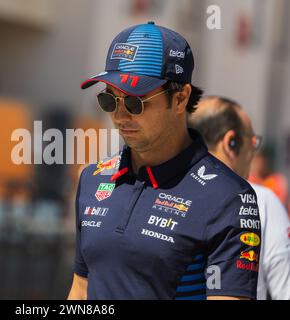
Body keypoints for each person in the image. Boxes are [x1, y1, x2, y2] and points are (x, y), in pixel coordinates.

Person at [67, 22, 261, 300]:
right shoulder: (92, 179)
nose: (121, 116)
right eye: (110, 100)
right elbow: (80, 290)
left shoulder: (229, 198)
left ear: (180, 98)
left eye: (135, 102)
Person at [188, 96, 290, 300]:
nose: (254, 151)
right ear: (230, 142)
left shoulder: (161, 190)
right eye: (252, 141)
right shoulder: (260, 199)